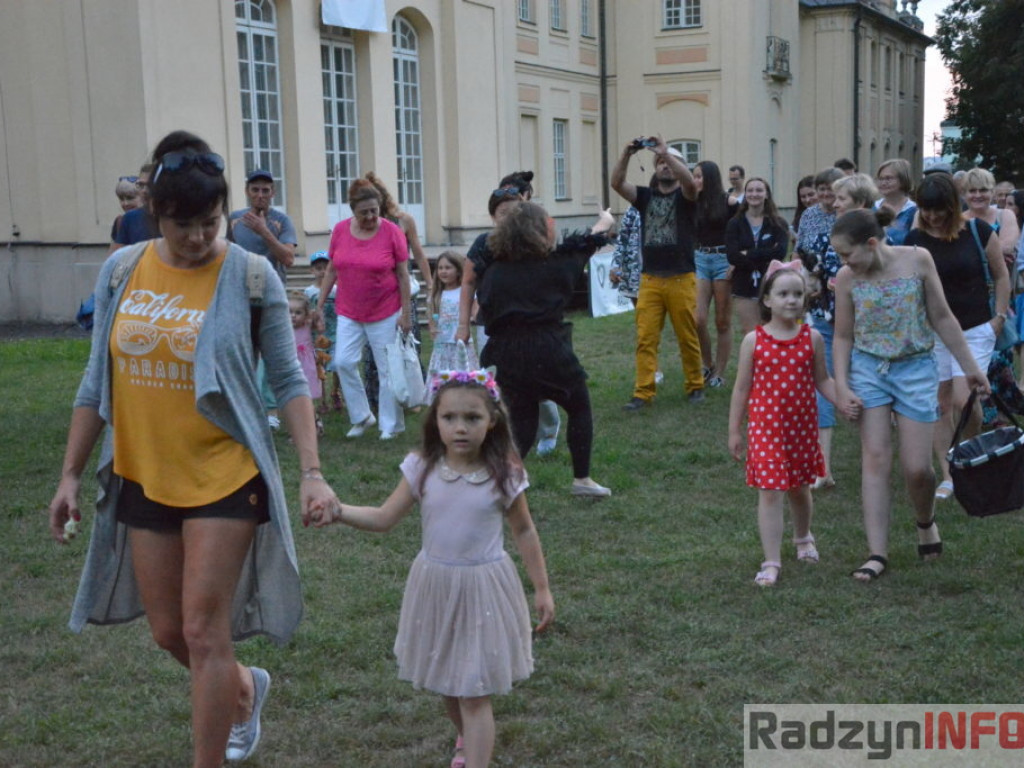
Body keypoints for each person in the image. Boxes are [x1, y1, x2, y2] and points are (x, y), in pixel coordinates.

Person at [46, 130, 336, 768]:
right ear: (156, 215)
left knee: (206, 631)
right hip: (144, 475)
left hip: (225, 473)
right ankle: (242, 686)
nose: (199, 237)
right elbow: (97, 382)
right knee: (170, 632)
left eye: (209, 222)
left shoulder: (249, 274)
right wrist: (69, 476)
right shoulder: (124, 269)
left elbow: (288, 379)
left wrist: (312, 471)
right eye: (183, 225)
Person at [307, 370, 554, 768]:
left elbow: (524, 530)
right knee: (449, 684)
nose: (460, 428)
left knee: (474, 690)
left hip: (482, 588)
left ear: (492, 420)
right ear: (435, 419)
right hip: (436, 586)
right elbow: (384, 517)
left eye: (472, 418)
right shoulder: (422, 468)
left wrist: (541, 588)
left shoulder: (502, 475)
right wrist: (339, 512)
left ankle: (476, 755)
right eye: (449, 417)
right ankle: (465, 737)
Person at [832, 208, 990, 581]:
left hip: (917, 369)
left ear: (871, 243)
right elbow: (842, 336)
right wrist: (842, 385)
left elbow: (943, 317)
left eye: (846, 254)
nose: (843, 262)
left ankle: (925, 522)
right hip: (869, 371)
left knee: (918, 469)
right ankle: (877, 553)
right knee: (875, 458)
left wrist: (971, 369)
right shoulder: (846, 279)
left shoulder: (917, 260)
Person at [477, 201, 614, 496]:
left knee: (523, 416)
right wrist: (604, 221)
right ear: (541, 231)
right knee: (578, 406)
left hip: (507, 352)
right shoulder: (556, 264)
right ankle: (582, 479)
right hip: (547, 347)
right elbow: (587, 244)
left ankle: (501, 481)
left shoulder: (494, 272)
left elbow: (487, 313)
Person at [728, 260, 836, 586]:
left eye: (798, 294)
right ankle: (771, 560)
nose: (791, 300)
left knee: (799, 490)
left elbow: (822, 380)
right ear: (767, 300)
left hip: (801, 428)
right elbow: (742, 388)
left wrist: (843, 400)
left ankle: (803, 537)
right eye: (784, 294)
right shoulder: (754, 340)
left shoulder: (812, 338)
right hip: (765, 429)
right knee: (771, 492)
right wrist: (735, 429)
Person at [904, 172, 1009, 502]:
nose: (933, 216)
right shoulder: (914, 240)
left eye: (939, 209)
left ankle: (967, 454)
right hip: (932, 332)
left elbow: (1001, 275)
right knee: (940, 401)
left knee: (966, 400)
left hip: (977, 327)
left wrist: (999, 317)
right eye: (926, 209)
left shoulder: (977, 231)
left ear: (952, 205)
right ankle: (949, 474)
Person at [457, 172, 562, 457]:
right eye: (502, 213)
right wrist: (463, 324)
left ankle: (550, 426)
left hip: (531, 325)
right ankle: (501, 439)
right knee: (498, 382)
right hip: (492, 325)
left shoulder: (534, 241)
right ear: (493, 216)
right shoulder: (483, 244)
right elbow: (467, 282)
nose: (507, 218)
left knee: (536, 383)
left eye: (513, 212)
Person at [610, 135, 704, 408]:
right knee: (646, 338)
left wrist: (667, 152)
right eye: (659, 162)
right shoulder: (645, 196)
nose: (664, 165)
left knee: (687, 336)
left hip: (681, 277)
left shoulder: (686, 196)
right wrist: (627, 154)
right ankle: (643, 392)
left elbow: (689, 183)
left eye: (669, 162)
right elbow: (616, 183)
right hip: (650, 278)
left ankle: (695, 385)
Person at [316, 178, 412, 440]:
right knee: (343, 362)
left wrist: (405, 314)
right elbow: (332, 269)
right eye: (364, 212)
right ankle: (362, 416)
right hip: (349, 309)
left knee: (386, 370)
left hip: (385, 310)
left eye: (374, 211)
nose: (370, 216)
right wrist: (321, 303)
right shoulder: (339, 231)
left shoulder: (392, 231)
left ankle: (390, 425)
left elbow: (403, 275)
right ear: (353, 212)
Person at [362, 171, 434, 413]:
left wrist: (430, 283)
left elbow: (419, 254)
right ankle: (378, 398)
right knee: (374, 350)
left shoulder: (403, 221)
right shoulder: (359, 225)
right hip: (372, 295)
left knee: (405, 344)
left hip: (401, 292)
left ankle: (412, 395)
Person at [796, 167, 843, 488]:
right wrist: (809, 283)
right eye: (821, 189)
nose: (825, 195)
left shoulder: (855, 217)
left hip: (856, 311)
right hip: (821, 305)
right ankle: (823, 467)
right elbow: (801, 251)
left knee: (860, 386)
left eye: (831, 189)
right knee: (822, 382)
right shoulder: (810, 216)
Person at [725, 176, 788, 335]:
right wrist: (764, 256)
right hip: (743, 283)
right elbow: (732, 256)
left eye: (759, 190)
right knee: (750, 332)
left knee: (770, 329)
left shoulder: (778, 223)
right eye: (750, 190)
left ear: (766, 194)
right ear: (745, 194)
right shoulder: (735, 223)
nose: (754, 194)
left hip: (770, 282)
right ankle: (752, 360)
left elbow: (780, 253)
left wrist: (748, 253)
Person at [693, 160, 737, 387]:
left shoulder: (728, 202)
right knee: (698, 319)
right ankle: (707, 364)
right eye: (694, 176)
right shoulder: (692, 202)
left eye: (699, 176)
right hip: (700, 259)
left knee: (722, 321)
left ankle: (719, 372)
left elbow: (742, 230)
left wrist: (736, 260)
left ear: (709, 178)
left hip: (723, 260)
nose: (695, 180)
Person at [227, 169, 297, 284]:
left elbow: (288, 260)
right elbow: (229, 254)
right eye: (255, 190)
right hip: (241, 287)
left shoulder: (282, 220)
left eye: (265, 191)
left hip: (272, 289)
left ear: (272, 193)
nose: (260, 195)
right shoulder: (235, 219)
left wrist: (263, 231)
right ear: (247, 191)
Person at [427, 250, 478, 398]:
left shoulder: (465, 292)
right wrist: (432, 327)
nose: (443, 271)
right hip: (442, 347)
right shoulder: (436, 294)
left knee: (463, 377)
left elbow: (475, 312)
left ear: (458, 270)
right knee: (443, 381)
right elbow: (432, 317)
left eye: (448, 268)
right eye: (440, 268)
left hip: (461, 344)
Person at [304, 251, 342, 414]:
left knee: (339, 365)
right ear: (312, 271)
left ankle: (335, 392)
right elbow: (304, 311)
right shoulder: (309, 292)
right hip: (317, 337)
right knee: (320, 368)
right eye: (318, 268)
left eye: (326, 268)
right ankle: (323, 399)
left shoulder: (336, 289)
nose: (322, 271)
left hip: (336, 333)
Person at [289, 293, 324, 434]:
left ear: (306, 315)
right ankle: (299, 429)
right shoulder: (284, 327)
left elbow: (321, 328)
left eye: (298, 313)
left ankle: (313, 424)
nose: (293, 316)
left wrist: (317, 315)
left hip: (306, 366)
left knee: (307, 397)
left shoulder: (308, 325)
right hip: (291, 365)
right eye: (290, 312)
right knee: (293, 399)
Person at [110, 163, 159, 252]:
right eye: (141, 185)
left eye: (149, 185)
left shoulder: (173, 219)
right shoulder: (130, 219)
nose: (144, 190)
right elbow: (115, 259)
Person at [874, 158, 917, 245]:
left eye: (888, 178)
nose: (883, 183)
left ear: (903, 179)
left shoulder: (914, 211)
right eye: (880, 179)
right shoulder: (872, 207)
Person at [609, 205, 642, 306]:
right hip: (636, 272)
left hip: (663, 273)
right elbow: (622, 240)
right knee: (642, 315)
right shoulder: (634, 209)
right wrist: (616, 265)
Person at [110, 174, 142, 240]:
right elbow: (116, 248)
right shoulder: (120, 222)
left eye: (130, 198)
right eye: (121, 199)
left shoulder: (155, 221)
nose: (125, 203)